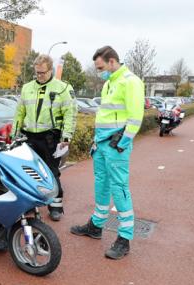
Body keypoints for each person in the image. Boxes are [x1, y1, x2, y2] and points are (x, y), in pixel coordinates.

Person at [70, 46, 144, 260]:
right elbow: (105, 116)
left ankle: (124, 238)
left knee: (119, 188)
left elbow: (135, 117)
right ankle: (96, 225)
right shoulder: (110, 82)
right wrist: (95, 142)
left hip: (116, 145)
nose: (98, 71)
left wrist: (123, 143)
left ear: (112, 61)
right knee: (101, 183)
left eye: (100, 67)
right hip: (102, 144)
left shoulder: (131, 81)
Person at [12, 54, 77, 221]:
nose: (39, 76)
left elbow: (70, 114)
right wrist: (14, 134)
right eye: (37, 73)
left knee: (50, 173)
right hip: (29, 137)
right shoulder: (27, 88)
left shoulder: (62, 88)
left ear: (51, 70)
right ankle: (30, 204)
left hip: (50, 137)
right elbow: (20, 112)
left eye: (42, 72)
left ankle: (55, 206)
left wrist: (66, 137)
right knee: (28, 172)